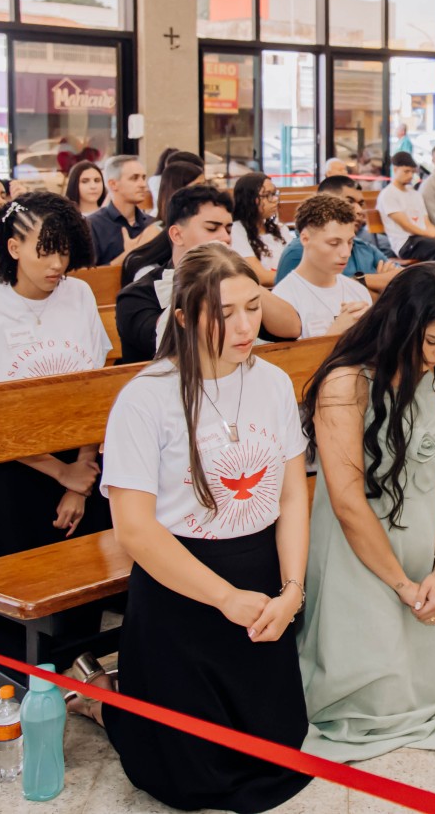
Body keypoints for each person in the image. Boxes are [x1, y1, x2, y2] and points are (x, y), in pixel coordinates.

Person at [87, 245, 313, 812]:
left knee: (278, 750)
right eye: (225, 314)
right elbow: (135, 531)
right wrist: (224, 599)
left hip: (260, 574)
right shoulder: (146, 398)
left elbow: (291, 495)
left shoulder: (272, 381)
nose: (245, 327)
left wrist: (292, 590)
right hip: (181, 585)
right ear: (185, 318)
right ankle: (104, 700)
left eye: (253, 308)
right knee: (188, 773)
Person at [296, 263, 435, 761]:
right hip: (359, 546)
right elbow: (347, 503)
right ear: (399, 324)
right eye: (431, 341)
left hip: (420, 539)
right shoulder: (345, 384)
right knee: (369, 691)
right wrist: (402, 584)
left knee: (423, 683)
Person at [0, 193, 113, 677]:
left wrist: (82, 470)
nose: (57, 264)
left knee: (103, 518)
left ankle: (76, 650)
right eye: (44, 251)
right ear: (13, 248)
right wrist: (61, 474)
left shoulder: (78, 294)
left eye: (64, 250)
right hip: (10, 458)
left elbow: (95, 390)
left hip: (79, 452)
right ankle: (13, 656)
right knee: (5, 512)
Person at [114, 185, 300, 361]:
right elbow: (174, 346)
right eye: (212, 228)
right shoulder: (136, 297)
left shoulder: (236, 287)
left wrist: (245, 280)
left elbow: (291, 328)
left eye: (228, 230)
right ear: (177, 235)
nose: (225, 237)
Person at [275, 176, 402, 295]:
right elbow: (329, 298)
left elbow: (402, 277)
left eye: (361, 204)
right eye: (349, 202)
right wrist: (373, 284)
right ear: (326, 202)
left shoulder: (362, 246)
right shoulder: (301, 250)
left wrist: (361, 282)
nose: (359, 210)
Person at [272, 195, 371, 338]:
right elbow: (291, 353)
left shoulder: (358, 291)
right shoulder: (284, 298)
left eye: (350, 242)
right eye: (334, 243)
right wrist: (336, 332)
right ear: (305, 239)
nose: (346, 253)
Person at [376, 152, 435, 261]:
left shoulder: (415, 194)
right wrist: (432, 235)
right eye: (406, 171)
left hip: (422, 238)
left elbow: (426, 223)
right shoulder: (388, 194)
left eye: (412, 172)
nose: (410, 176)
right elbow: (407, 226)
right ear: (395, 169)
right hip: (405, 243)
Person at [86, 154, 161, 269]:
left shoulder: (152, 224)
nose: (142, 184)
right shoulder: (92, 225)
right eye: (134, 178)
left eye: (143, 178)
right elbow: (86, 275)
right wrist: (128, 255)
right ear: (113, 184)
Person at [229, 172, 287, 285]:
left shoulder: (280, 229)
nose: (274, 199)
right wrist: (297, 277)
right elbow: (260, 276)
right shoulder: (236, 230)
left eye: (274, 193)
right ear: (249, 199)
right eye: (267, 195)